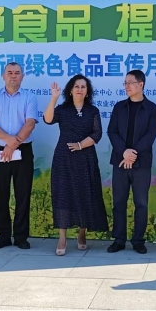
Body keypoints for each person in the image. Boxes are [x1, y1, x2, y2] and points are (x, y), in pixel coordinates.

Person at [43, 75, 109, 255]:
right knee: (63, 195)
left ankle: (82, 233)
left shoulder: (92, 111)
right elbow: (47, 119)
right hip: (64, 158)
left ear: (88, 91)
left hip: (86, 157)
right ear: (70, 90)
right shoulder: (63, 109)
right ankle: (62, 238)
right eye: (76, 86)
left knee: (85, 193)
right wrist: (54, 98)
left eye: (83, 87)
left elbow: (97, 134)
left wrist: (80, 145)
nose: (80, 89)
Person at [0, 62, 38, 250]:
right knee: (1, 194)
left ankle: (21, 237)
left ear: (22, 76)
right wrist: (8, 141)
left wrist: (13, 144)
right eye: (9, 72)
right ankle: (3, 236)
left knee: (23, 194)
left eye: (17, 73)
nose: (13, 76)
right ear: (3, 76)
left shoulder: (29, 97)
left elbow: (30, 123)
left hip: (23, 150)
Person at [107, 70, 156, 254]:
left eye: (130, 82)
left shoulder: (152, 109)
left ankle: (138, 240)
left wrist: (132, 154)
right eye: (125, 83)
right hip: (120, 161)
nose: (126, 86)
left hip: (141, 163)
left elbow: (150, 136)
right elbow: (112, 131)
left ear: (141, 84)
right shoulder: (119, 107)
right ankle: (119, 239)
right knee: (119, 202)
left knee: (141, 203)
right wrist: (124, 152)